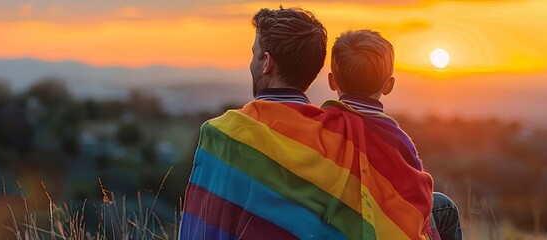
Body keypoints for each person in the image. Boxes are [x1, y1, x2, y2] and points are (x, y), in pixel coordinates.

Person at [180, 7, 439, 239]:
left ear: (266, 63)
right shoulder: (334, 133)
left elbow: (202, 225)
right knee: (441, 205)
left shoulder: (226, 132)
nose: (251, 62)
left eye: (254, 54)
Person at [324, 29, 462, 240]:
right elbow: (418, 197)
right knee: (445, 206)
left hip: (334, 219)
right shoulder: (396, 139)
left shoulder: (321, 123)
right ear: (389, 85)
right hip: (382, 226)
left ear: (332, 81)